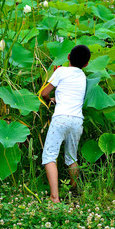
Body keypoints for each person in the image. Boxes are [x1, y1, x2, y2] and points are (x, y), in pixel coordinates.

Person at [40, 45, 90, 203]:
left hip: (61, 118)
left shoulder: (60, 71)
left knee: (49, 156)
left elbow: (44, 93)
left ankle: (55, 197)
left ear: (68, 56)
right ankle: (74, 190)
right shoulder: (83, 76)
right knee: (71, 157)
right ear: (86, 64)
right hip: (77, 120)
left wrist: (50, 100)